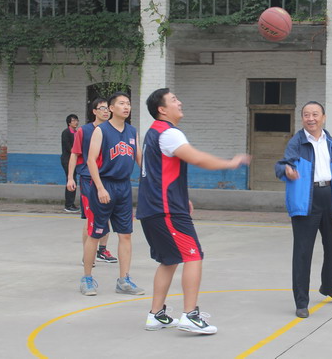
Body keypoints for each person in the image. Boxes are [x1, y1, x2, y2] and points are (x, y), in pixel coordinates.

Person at [137, 88, 250, 333]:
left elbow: (160, 173)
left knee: (169, 260)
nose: (180, 102)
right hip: (166, 210)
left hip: (153, 208)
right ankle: (190, 315)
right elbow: (197, 158)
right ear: (162, 109)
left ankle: (155, 315)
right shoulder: (169, 133)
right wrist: (230, 163)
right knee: (193, 255)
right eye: (174, 100)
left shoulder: (153, 133)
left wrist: (182, 198)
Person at [275, 101, 332, 319]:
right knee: (303, 252)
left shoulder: (331, 142)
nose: (311, 118)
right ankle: (301, 301)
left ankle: (329, 286)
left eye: (315, 114)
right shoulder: (297, 142)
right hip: (306, 200)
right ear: (302, 119)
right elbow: (280, 165)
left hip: (330, 197)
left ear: (323, 118)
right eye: (306, 115)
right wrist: (286, 170)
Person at [80, 92, 143, 296]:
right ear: (111, 108)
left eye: (128, 104)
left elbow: (139, 159)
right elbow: (91, 160)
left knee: (125, 234)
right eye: (121, 103)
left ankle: (124, 280)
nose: (126, 107)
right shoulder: (101, 130)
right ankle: (87, 278)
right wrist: (99, 188)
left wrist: (153, 179)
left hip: (124, 187)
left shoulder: (132, 131)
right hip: (104, 185)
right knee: (96, 233)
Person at [67, 99, 116, 265]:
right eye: (102, 108)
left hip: (107, 178)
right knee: (91, 217)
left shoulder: (113, 130)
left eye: (107, 108)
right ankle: (88, 254)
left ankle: (102, 250)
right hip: (88, 179)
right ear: (94, 111)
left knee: (106, 214)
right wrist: (70, 177)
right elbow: (74, 154)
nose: (105, 111)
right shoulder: (84, 131)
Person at [61, 113, 80, 213]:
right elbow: (70, 148)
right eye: (73, 121)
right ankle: (68, 205)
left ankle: (71, 203)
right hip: (67, 160)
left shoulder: (76, 133)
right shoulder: (66, 133)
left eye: (77, 120)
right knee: (71, 181)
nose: (76, 122)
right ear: (69, 123)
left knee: (74, 181)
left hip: (75, 160)